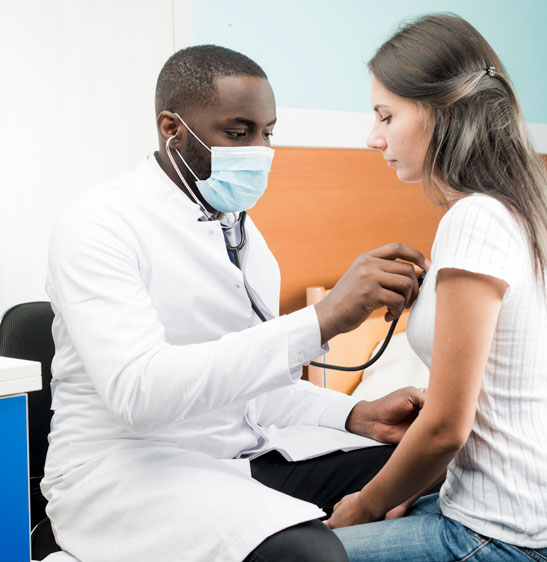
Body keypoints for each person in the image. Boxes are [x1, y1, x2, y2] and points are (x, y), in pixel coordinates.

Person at [42, 46, 430, 562]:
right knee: (308, 554)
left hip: (236, 459)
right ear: (171, 128)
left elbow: (252, 392)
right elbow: (139, 395)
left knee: (428, 470)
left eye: (268, 132)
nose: (260, 149)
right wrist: (322, 319)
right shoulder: (99, 224)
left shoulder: (245, 240)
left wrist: (356, 414)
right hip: (128, 471)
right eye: (237, 131)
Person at [329, 13, 547, 562]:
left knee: (296, 553)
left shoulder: (474, 219)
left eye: (386, 114)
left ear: (441, 112)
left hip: (510, 535)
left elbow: (445, 430)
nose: (372, 136)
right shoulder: (516, 211)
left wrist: (364, 505)